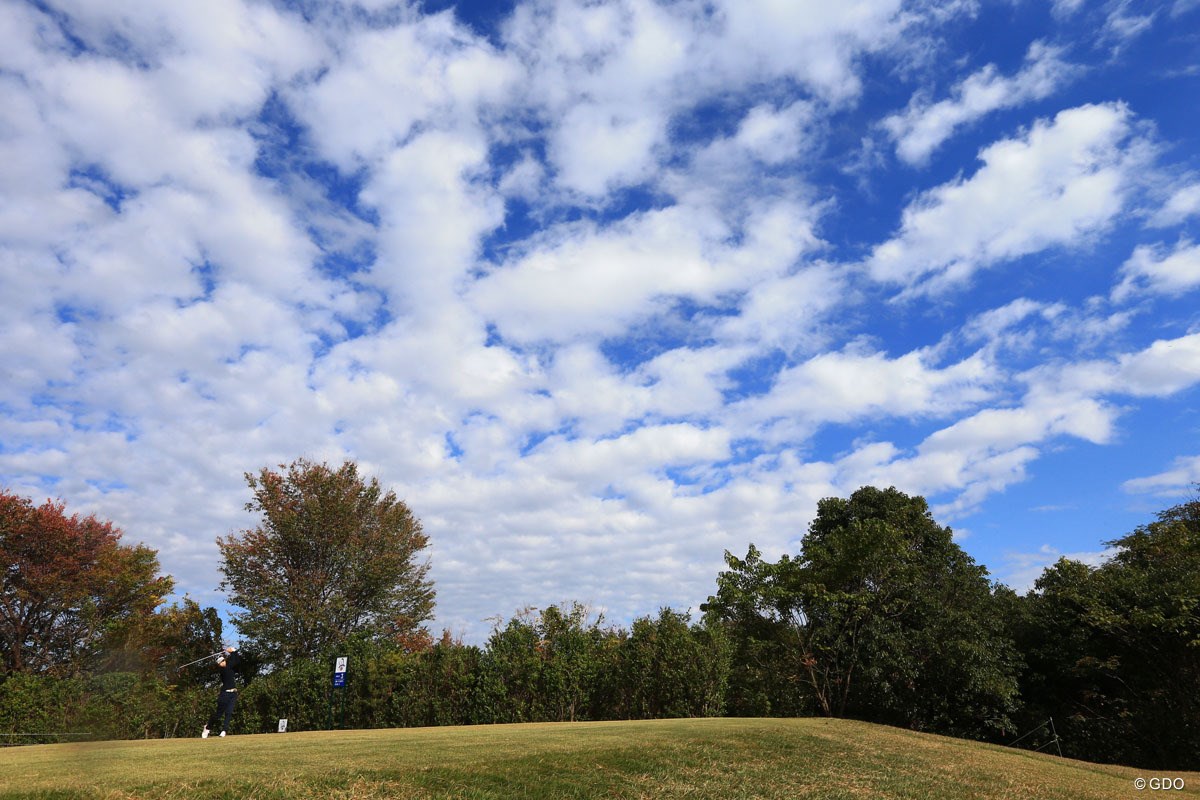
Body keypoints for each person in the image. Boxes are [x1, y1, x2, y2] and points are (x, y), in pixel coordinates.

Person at [201, 645, 242, 738]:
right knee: (218, 714)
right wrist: (233, 652)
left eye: (223, 661)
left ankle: (224, 730)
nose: (223, 663)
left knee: (229, 712)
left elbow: (237, 661)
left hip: (233, 693)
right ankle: (207, 727)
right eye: (221, 662)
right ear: (218, 664)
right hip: (225, 694)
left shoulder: (230, 667)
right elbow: (233, 661)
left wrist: (233, 652)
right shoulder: (223, 670)